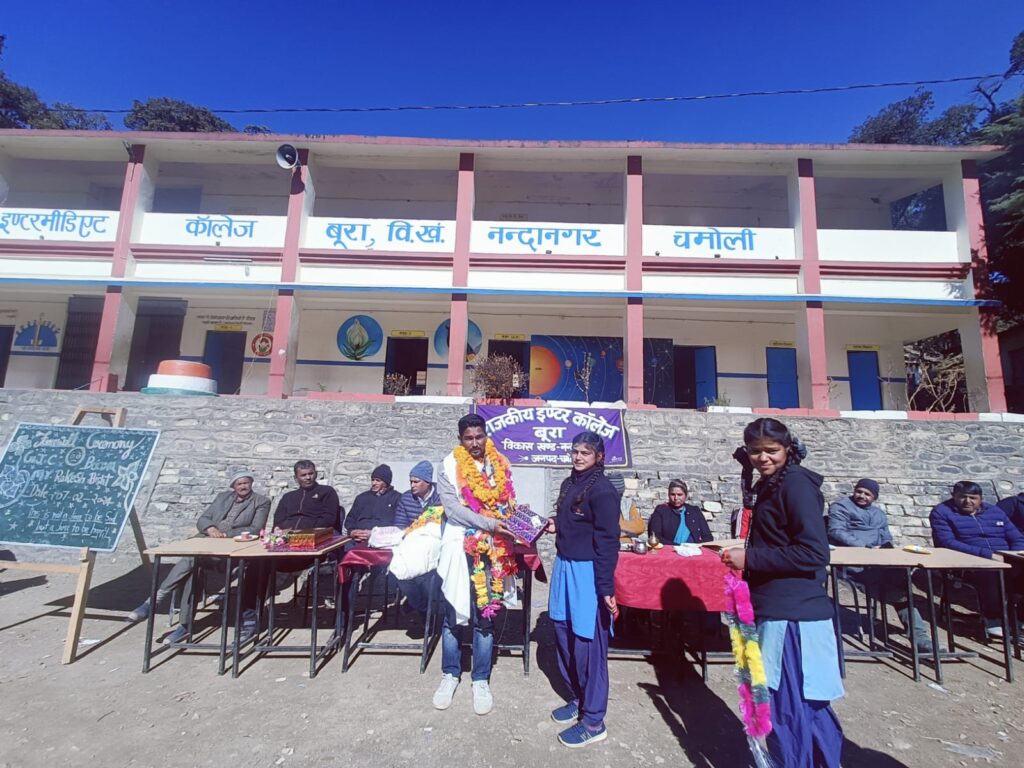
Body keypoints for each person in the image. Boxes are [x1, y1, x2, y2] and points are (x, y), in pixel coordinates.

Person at [721, 418, 843, 768]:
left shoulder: (796, 485)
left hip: (793, 617)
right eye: (755, 451)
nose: (763, 458)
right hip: (781, 607)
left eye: (771, 450)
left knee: (790, 705)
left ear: (788, 449)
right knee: (802, 705)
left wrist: (751, 558)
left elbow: (814, 552)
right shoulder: (773, 484)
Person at [432, 413, 517, 716]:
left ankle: (480, 679)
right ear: (460, 440)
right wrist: (489, 523)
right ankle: (450, 674)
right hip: (459, 546)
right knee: (453, 614)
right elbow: (453, 510)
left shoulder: (499, 463)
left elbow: (506, 501)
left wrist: (514, 520)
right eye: (468, 438)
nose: (475, 442)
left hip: (492, 548)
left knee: (486, 613)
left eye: (479, 436)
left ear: (486, 436)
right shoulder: (447, 466)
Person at [127, 469, 270, 644]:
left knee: (191, 560)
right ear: (233, 486)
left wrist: (225, 534)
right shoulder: (222, 497)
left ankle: (155, 602)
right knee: (192, 566)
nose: (243, 487)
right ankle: (183, 625)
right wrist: (210, 528)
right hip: (207, 541)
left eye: (246, 483)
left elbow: (256, 528)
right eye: (239, 484)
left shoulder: (261, 501)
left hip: (231, 550)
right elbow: (203, 518)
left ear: (251, 483)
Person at [546, 431, 620, 748]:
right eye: (575, 451)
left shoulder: (603, 491)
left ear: (599, 457)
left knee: (588, 645)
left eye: (585, 453)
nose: (578, 457)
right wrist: (554, 523)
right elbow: (573, 523)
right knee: (562, 633)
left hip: (587, 573)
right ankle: (578, 698)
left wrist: (605, 586)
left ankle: (593, 721)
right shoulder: (569, 484)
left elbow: (607, 540)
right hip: (564, 566)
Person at [827, 479, 932, 653]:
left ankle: (921, 638)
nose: (862, 496)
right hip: (853, 563)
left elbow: (886, 538)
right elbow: (836, 531)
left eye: (867, 494)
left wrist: (888, 551)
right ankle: (916, 630)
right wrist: (866, 547)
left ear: (874, 497)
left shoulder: (878, 514)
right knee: (896, 589)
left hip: (879, 562)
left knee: (902, 584)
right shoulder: (841, 507)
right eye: (859, 491)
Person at [929, 480, 1024, 638]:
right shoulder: (942, 512)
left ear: (980, 498)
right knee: (991, 573)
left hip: (1005, 558)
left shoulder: (994, 511)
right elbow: (947, 542)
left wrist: (1014, 555)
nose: (967, 501)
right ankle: (993, 619)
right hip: (966, 561)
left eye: (973, 498)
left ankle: (1020, 617)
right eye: (962, 497)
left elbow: (1017, 537)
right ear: (953, 496)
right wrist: (988, 555)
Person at [394, 460, 442, 613]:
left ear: (427, 482)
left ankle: (426, 607)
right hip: (411, 543)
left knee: (426, 574)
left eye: (416, 481)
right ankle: (421, 605)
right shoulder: (406, 498)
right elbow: (400, 525)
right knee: (400, 571)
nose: (412, 485)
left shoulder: (442, 497)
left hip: (434, 543)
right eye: (411, 482)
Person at [344, 464, 401, 543]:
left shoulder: (397, 498)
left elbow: (398, 525)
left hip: (383, 540)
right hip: (358, 539)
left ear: (386, 482)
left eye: (378, 480)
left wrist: (374, 534)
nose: (374, 483)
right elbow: (350, 519)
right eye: (373, 480)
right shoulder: (362, 498)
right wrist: (352, 532)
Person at [647, 480, 713, 545]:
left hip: (694, 549)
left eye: (679, 495)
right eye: (672, 494)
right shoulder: (661, 511)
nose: (676, 498)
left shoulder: (695, 511)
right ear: (668, 495)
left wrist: (694, 546)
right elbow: (655, 537)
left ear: (686, 496)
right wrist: (679, 547)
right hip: (670, 549)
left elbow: (708, 537)